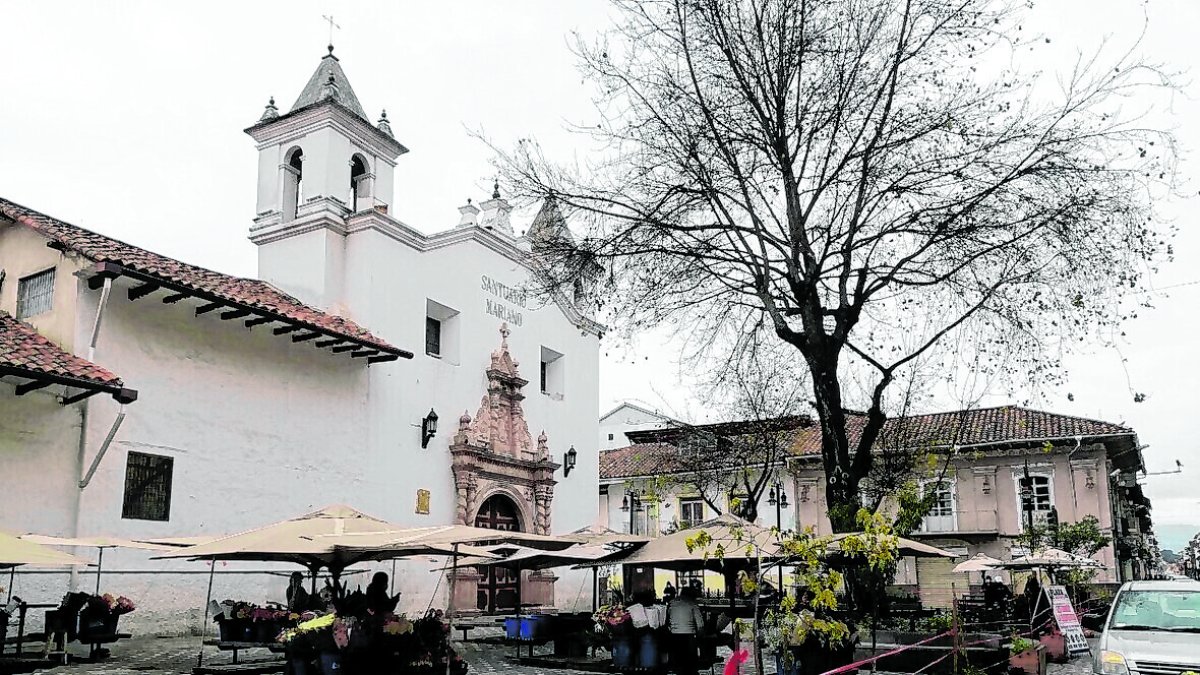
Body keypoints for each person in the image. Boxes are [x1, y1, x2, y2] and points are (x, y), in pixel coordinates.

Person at [667, 586, 705, 675]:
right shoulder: (693, 604)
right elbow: (700, 624)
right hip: (689, 638)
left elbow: (667, 620)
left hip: (674, 637)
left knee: (678, 666)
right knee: (690, 667)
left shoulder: (672, 603)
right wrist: (701, 637)